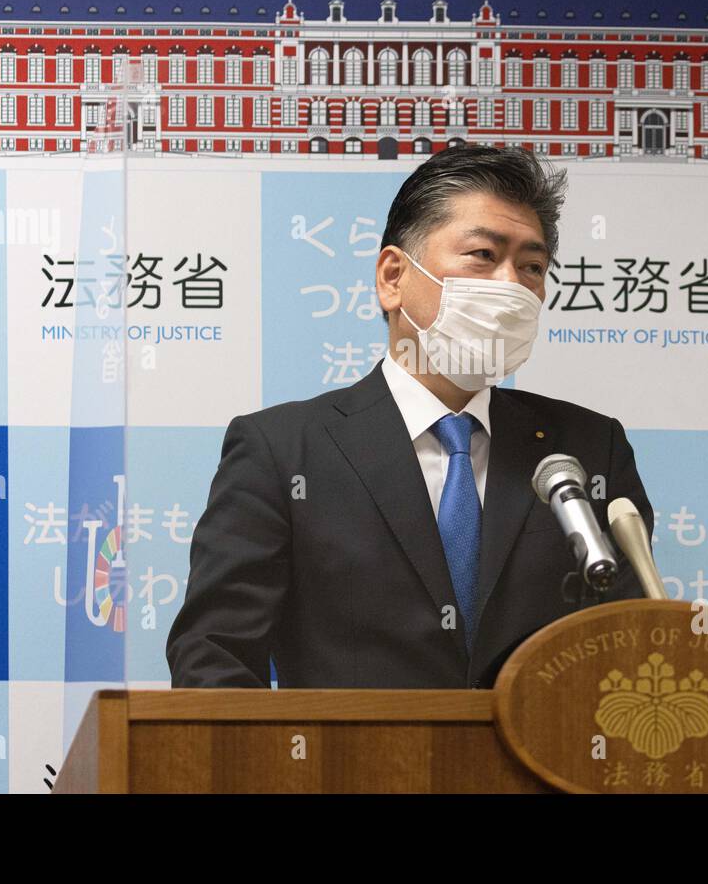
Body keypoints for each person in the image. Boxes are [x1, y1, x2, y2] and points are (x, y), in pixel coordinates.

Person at [166, 144, 655, 689]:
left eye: (532, 266)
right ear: (393, 276)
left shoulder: (585, 448)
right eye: (483, 256)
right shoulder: (283, 450)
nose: (512, 285)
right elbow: (215, 656)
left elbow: (630, 648)